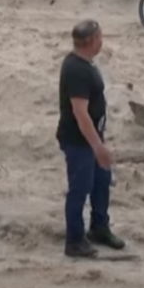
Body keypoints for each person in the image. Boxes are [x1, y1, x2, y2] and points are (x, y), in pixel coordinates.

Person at [56, 19, 125, 258]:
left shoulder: (85, 63)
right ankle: (74, 240)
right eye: (100, 37)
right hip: (79, 141)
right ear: (91, 41)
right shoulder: (76, 69)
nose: (102, 41)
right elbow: (79, 112)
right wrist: (97, 147)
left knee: (100, 183)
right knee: (80, 187)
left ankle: (99, 227)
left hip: (92, 138)